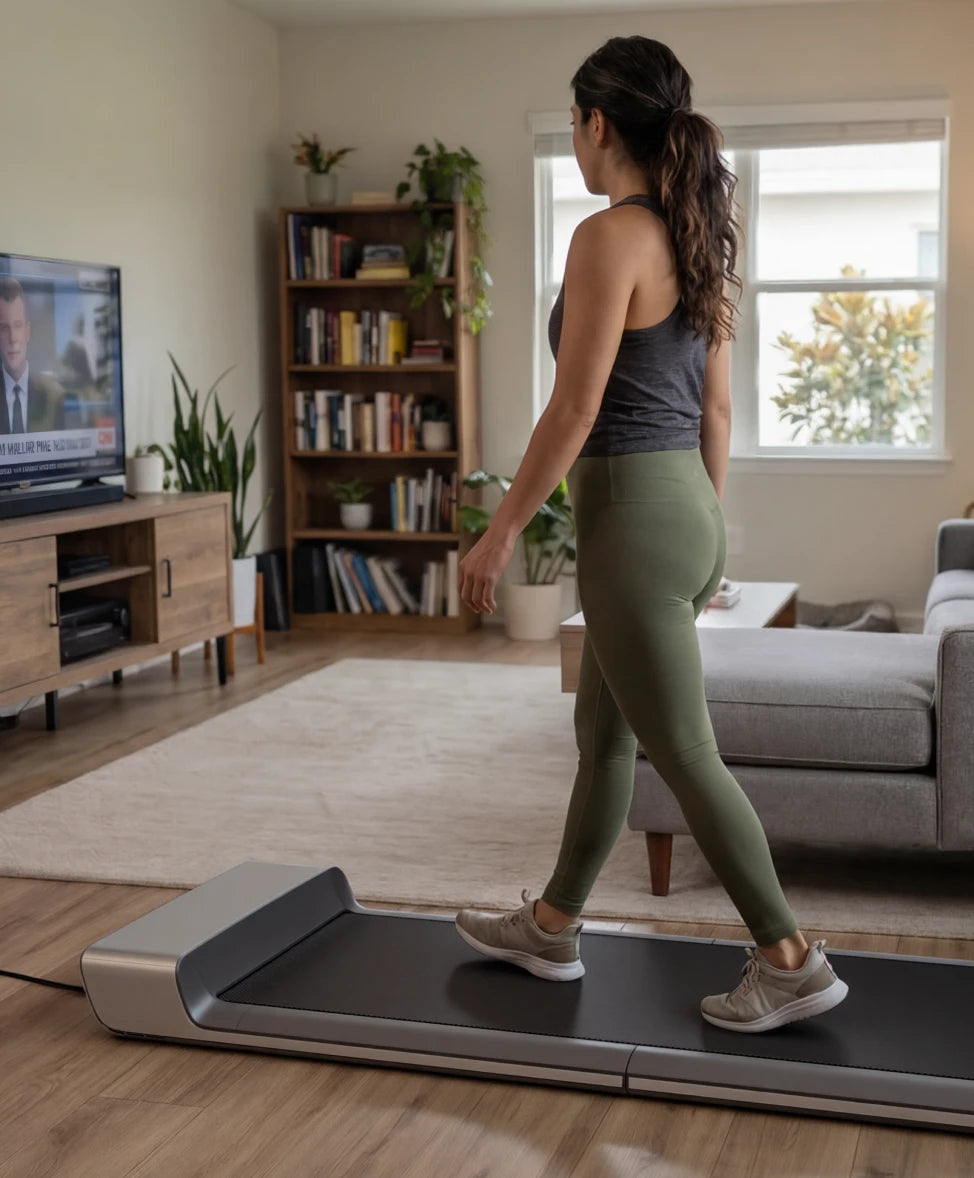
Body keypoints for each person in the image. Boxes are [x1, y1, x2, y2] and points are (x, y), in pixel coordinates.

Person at [455, 35, 848, 1033]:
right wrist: (708, 532)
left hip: (629, 514)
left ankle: (787, 955)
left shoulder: (607, 236)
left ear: (595, 125)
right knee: (603, 734)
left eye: (578, 124)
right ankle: (552, 922)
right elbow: (716, 412)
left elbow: (573, 410)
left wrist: (498, 534)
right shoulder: (694, 233)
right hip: (686, 509)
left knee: (679, 748)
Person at [0, 277, 65, 434]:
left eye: (18, 326)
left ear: (27, 332)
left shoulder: (54, 396)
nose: (13, 338)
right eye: (4, 328)